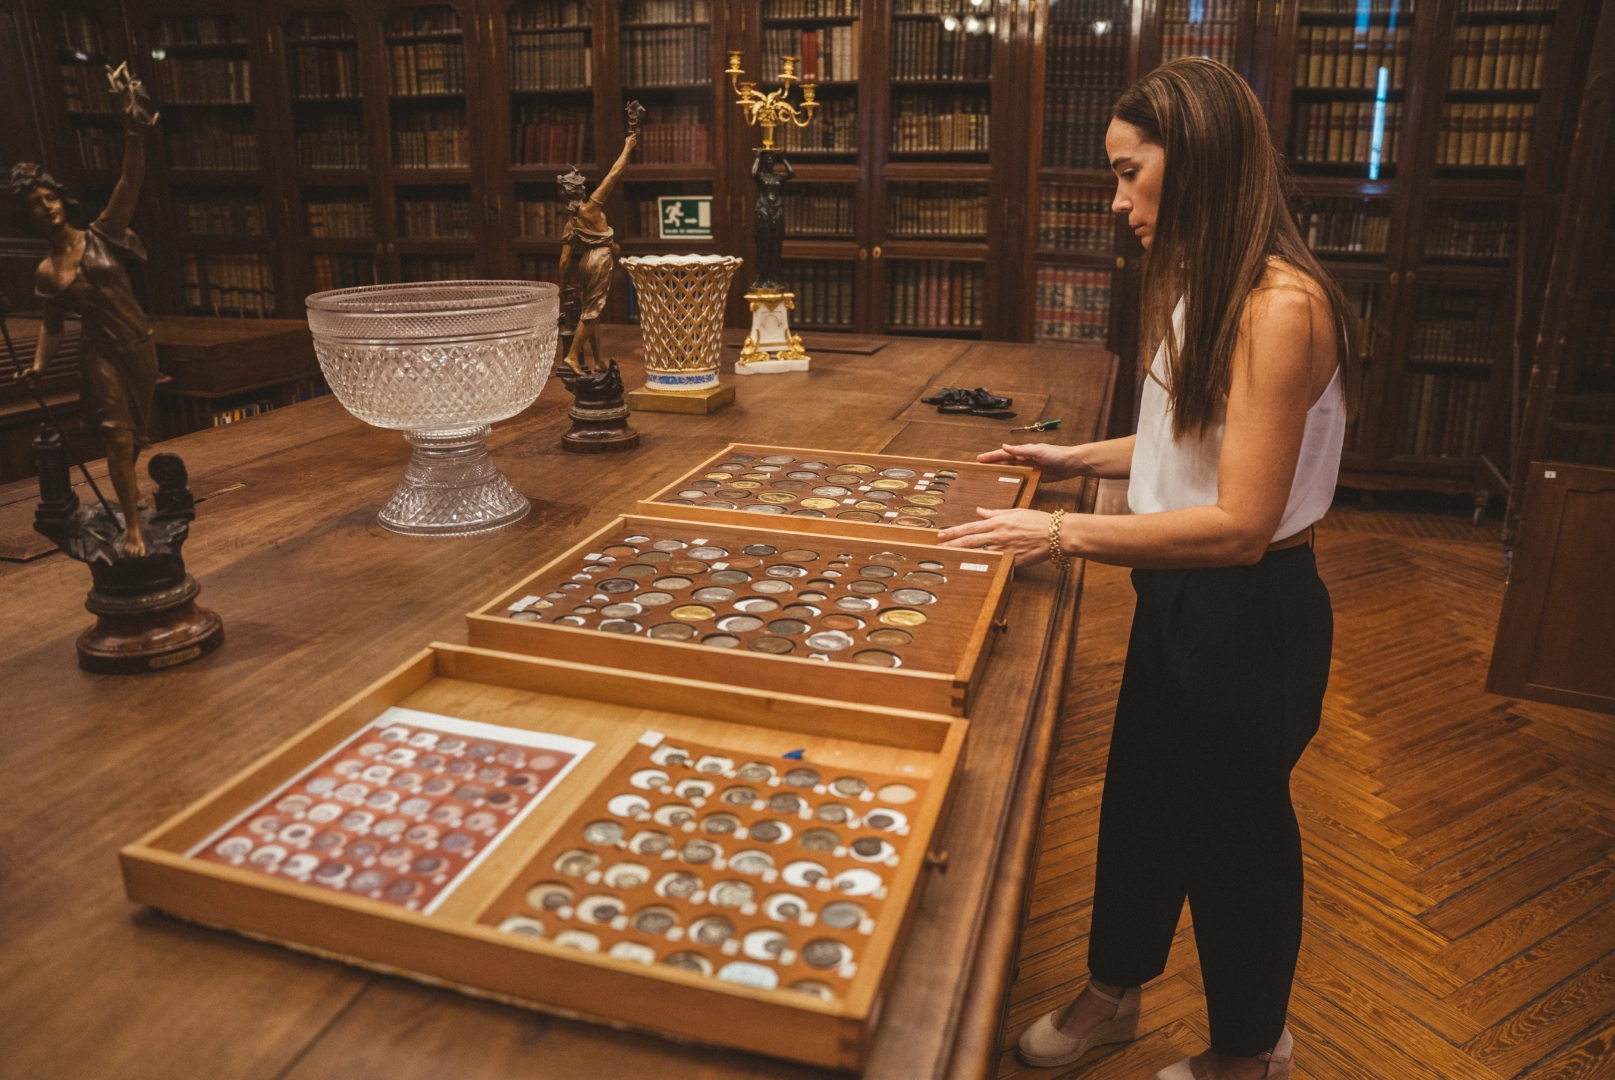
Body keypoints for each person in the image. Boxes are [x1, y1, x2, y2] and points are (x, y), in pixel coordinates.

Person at [938, 58, 1355, 1080]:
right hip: (1176, 591)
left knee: (1233, 840)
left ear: (1198, 158)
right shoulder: (1200, 286)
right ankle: (1111, 994)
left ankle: (1253, 1050)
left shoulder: (1280, 307)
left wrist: (1058, 535)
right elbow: (1188, 447)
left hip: (1250, 612)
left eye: (1131, 172)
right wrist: (1075, 458)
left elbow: (1240, 525)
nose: (1119, 200)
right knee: (1139, 804)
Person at [12, 95, 159, 557]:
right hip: (100, 355)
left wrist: (133, 131)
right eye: (36, 205)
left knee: (134, 438)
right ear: (28, 217)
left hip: (140, 347)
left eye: (50, 198)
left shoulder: (103, 232)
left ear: (62, 199)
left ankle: (125, 500)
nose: (47, 208)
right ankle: (132, 529)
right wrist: (37, 365)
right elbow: (53, 327)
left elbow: (129, 179)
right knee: (117, 436)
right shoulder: (46, 273)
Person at [556, 125, 638, 376]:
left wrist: (562, 286)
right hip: (599, 260)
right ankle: (572, 357)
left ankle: (599, 360)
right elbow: (614, 174)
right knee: (591, 312)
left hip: (586, 262)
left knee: (593, 312)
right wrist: (627, 147)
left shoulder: (571, 222)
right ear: (579, 191)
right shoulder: (590, 208)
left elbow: (564, 260)